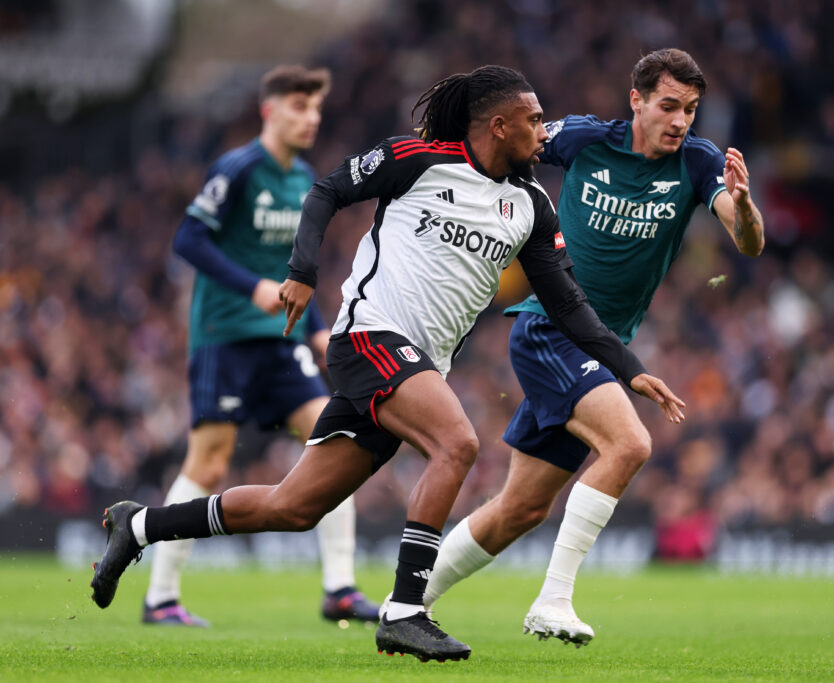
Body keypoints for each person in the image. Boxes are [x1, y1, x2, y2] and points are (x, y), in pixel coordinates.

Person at [89, 65, 686, 662]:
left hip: (415, 364)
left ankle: (138, 526)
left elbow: (569, 306)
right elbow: (327, 191)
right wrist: (301, 271)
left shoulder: (530, 205)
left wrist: (629, 369)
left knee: (293, 507)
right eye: (533, 121)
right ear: (499, 127)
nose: (542, 131)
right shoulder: (419, 159)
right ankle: (405, 610)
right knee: (457, 443)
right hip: (370, 336)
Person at [418, 48, 765, 646]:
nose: (680, 120)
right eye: (668, 105)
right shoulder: (583, 139)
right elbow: (504, 146)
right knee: (629, 444)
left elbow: (746, 240)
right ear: (636, 101)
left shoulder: (699, 162)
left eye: (690, 108)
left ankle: (406, 602)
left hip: (598, 350)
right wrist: (437, 154)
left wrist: (748, 208)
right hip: (549, 329)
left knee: (518, 512)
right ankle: (553, 602)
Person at [144, 64, 377, 627]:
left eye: (317, 109)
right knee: (211, 460)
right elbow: (189, 239)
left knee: (336, 440)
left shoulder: (303, 182)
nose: (310, 118)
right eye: (300, 107)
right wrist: (253, 289)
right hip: (225, 337)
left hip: (283, 339)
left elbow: (293, 269)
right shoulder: (238, 168)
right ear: (269, 110)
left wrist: (319, 325)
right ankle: (161, 597)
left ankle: (340, 589)